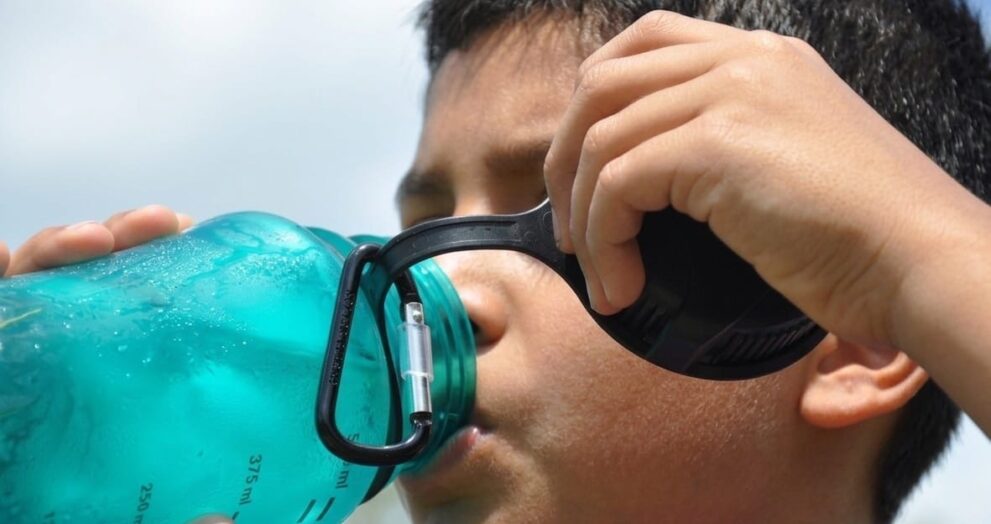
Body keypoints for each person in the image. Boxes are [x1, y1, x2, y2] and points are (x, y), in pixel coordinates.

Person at [3, 0, 990, 522]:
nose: (445, 282)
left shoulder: (914, 273)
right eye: (422, 222)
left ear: (853, 336)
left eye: (596, 210)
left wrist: (924, 257)